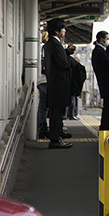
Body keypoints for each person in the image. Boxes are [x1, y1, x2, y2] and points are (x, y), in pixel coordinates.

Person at [43, 18, 76, 149]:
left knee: (56, 112)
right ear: (57, 31)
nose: (65, 31)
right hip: (58, 83)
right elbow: (62, 64)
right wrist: (73, 61)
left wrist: (67, 52)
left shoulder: (51, 43)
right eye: (63, 29)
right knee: (57, 112)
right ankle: (55, 140)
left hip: (55, 82)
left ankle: (57, 136)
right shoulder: (55, 44)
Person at [92, 31, 109, 131]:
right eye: (107, 39)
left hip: (103, 82)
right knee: (108, 106)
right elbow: (108, 66)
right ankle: (105, 127)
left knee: (108, 105)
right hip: (106, 83)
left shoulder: (98, 50)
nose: (108, 41)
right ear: (102, 40)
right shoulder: (99, 51)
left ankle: (105, 126)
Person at [37, 31, 50, 139]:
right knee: (44, 106)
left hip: (40, 79)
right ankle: (42, 127)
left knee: (43, 105)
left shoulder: (40, 47)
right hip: (45, 79)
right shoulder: (46, 48)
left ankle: (42, 127)